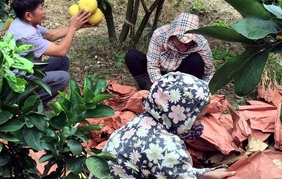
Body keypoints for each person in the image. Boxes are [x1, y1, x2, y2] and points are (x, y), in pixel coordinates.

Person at [101, 72, 236, 179]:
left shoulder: (141, 122)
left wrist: (202, 174)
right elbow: (168, 164)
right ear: (180, 115)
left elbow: (166, 170)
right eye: (198, 118)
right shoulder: (168, 149)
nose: (200, 124)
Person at [7, 0, 91, 104]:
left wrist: (79, 26)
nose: (45, 11)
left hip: (29, 70)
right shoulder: (26, 35)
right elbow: (61, 50)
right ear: (28, 15)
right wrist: (72, 27)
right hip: (20, 81)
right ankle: (26, 103)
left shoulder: (23, 23)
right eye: (41, 8)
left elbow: (51, 35)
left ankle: (36, 95)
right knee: (63, 78)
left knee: (62, 61)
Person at [125, 12, 215, 90]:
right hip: (160, 72)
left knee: (196, 60)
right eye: (180, 43)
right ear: (173, 35)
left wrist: (204, 89)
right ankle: (150, 88)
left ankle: (185, 92)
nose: (183, 46)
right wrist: (162, 87)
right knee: (132, 56)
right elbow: (152, 66)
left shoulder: (201, 42)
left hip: (183, 74)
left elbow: (209, 72)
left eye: (186, 44)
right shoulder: (160, 34)